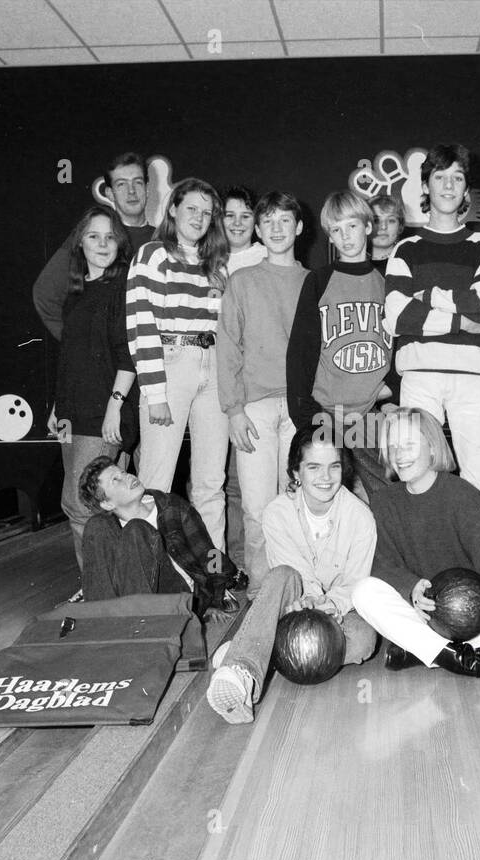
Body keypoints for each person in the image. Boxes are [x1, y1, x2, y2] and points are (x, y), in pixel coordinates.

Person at [207, 428, 378, 723]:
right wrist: (309, 600)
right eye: (313, 467)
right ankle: (242, 671)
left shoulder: (361, 516)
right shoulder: (277, 512)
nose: (325, 477)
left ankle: (251, 648)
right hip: (294, 597)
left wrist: (331, 605)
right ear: (296, 472)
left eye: (333, 466)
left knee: (363, 642)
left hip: (339, 606)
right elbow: (293, 570)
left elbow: (355, 579)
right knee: (281, 574)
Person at [352, 408, 480, 679]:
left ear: (432, 448)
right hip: (426, 617)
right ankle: (460, 659)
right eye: (393, 447)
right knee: (363, 592)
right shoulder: (384, 501)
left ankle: (424, 652)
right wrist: (411, 587)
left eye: (408, 445)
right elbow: (379, 563)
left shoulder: (464, 496)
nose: (399, 455)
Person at [383, 144, 480, 509]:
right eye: (440, 177)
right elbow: (398, 316)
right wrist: (459, 319)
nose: (449, 186)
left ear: (467, 190)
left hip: (475, 375)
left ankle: (479, 566)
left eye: (457, 178)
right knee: (417, 477)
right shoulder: (405, 249)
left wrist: (429, 295)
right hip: (420, 375)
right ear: (426, 187)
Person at [126, 177, 231, 551]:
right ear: (172, 209)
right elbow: (141, 325)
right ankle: (147, 575)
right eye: (192, 209)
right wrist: (155, 393)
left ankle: (215, 575)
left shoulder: (216, 264)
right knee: (156, 482)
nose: (199, 218)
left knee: (210, 482)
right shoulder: (153, 255)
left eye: (207, 213)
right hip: (170, 366)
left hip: (213, 366)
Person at [217, 191, 309, 595]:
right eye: (268, 221)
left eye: (284, 221)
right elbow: (227, 347)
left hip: (300, 408)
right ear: (257, 230)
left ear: (299, 228)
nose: (276, 229)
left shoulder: (313, 282)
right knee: (256, 508)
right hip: (253, 408)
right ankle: (259, 591)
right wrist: (234, 410)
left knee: (296, 504)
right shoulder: (242, 281)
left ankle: (296, 588)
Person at [287, 190, 397, 501]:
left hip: (369, 414)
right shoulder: (319, 281)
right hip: (327, 413)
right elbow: (300, 354)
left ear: (368, 226)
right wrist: (306, 417)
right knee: (324, 496)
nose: (345, 236)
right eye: (336, 230)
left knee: (388, 496)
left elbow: (401, 342)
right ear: (329, 237)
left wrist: (392, 390)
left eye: (351, 226)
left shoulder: (389, 281)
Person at [49, 207, 138, 587]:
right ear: (80, 243)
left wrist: (114, 407)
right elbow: (72, 357)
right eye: (93, 236)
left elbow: (128, 356)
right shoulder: (76, 295)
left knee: (81, 504)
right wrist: (57, 405)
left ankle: (99, 591)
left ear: (119, 243)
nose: (102, 244)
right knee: (90, 505)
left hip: (103, 412)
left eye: (109, 236)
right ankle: (108, 587)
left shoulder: (123, 290)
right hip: (72, 413)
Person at [77, 456, 241, 615]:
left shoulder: (171, 507)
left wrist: (216, 596)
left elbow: (210, 554)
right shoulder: (108, 528)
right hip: (131, 604)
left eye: (124, 472)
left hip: (179, 599)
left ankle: (139, 627)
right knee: (95, 525)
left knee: (137, 529)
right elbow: (103, 576)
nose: (128, 477)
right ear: (107, 503)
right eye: (116, 480)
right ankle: (98, 623)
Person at [34, 153, 157, 341]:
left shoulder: (164, 240)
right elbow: (45, 293)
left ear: (147, 189)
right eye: (121, 184)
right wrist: (78, 345)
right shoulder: (91, 237)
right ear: (109, 193)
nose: (131, 191)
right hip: (106, 365)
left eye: (137, 182)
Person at [220, 185, 266, 572]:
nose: (236, 223)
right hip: (208, 377)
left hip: (248, 387)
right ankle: (220, 565)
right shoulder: (208, 258)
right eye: (229, 215)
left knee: (240, 483)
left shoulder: (267, 256)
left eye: (245, 215)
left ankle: (245, 564)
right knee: (207, 481)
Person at [368, 195, 403, 273]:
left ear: (400, 226)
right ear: (366, 226)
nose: (383, 227)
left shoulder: (410, 263)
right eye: (376, 220)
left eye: (391, 220)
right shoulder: (353, 264)